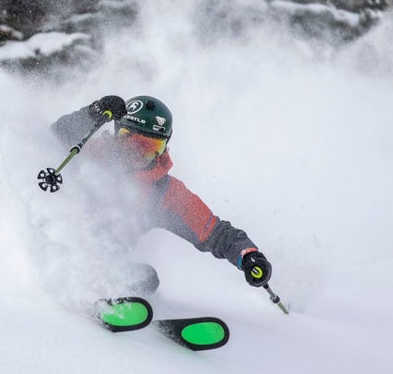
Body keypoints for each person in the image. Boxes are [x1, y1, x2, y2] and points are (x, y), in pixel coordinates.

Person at [50, 94, 272, 294]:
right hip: (56, 242)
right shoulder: (88, 152)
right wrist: (94, 112)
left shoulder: (164, 193)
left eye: (150, 147)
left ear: (164, 148)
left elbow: (216, 233)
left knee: (146, 279)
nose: (137, 154)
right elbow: (54, 136)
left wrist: (248, 255)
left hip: (106, 264)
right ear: (117, 133)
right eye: (131, 142)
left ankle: (109, 295)